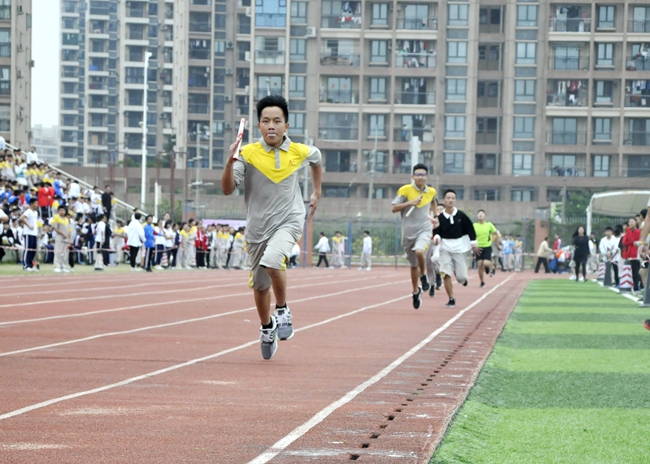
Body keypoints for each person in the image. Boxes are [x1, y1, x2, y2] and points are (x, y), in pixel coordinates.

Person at [221, 94, 322, 360]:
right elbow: (227, 189)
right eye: (266, 121)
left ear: (286, 125)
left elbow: (317, 158)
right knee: (260, 286)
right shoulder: (247, 153)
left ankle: (283, 309)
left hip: (289, 219)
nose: (271, 126)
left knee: (275, 260)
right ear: (259, 125)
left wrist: (317, 191)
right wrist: (230, 162)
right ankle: (267, 327)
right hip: (257, 228)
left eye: (277, 121)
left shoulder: (298, 150)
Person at [391, 163, 437, 309]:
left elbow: (433, 202)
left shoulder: (431, 191)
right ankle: (416, 291)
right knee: (413, 265)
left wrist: (435, 216)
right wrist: (410, 202)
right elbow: (394, 208)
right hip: (408, 233)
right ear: (413, 176)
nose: (420, 177)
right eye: (417, 174)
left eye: (423, 175)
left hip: (424, 229)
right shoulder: (405, 190)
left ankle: (423, 276)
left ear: (427, 177)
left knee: (419, 251)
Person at [432, 189, 478, 308]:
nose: (450, 200)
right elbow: (437, 231)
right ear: (444, 200)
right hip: (445, 248)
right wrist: (436, 238)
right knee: (445, 273)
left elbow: (470, 229)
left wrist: (474, 244)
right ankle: (451, 298)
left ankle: (461, 278)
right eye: (448, 198)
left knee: (462, 277)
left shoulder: (461, 216)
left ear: (455, 200)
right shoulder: (440, 218)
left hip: (459, 249)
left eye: (453, 198)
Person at [472, 209, 497, 288]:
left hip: (487, 246)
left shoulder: (489, 225)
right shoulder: (474, 225)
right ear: (477, 216)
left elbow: (495, 233)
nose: (480, 215)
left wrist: (496, 243)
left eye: (482, 214)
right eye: (479, 214)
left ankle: (491, 267)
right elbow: (471, 236)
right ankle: (482, 282)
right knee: (479, 264)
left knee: (485, 263)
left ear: (485, 216)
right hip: (478, 247)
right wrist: (473, 246)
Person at [19, 198, 40, 271]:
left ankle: (30, 265)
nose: (37, 205)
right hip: (28, 233)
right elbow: (21, 218)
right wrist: (28, 225)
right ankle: (26, 265)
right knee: (28, 249)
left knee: (33, 249)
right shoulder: (28, 211)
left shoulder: (36, 212)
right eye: (36, 203)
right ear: (31, 204)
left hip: (34, 233)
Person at [622, 217, 642, 291]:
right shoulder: (628, 231)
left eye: (632, 221)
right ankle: (634, 285)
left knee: (636, 270)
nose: (631, 223)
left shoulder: (638, 231)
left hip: (636, 253)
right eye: (630, 222)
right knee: (632, 271)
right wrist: (631, 242)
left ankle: (637, 286)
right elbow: (624, 242)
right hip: (629, 253)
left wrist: (631, 242)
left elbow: (635, 241)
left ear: (635, 222)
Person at [51, 205, 71, 273]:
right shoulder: (56, 217)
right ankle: (56, 266)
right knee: (58, 253)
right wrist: (63, 234)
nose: (62, 212)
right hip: (59, 238)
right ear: (58, 211)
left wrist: (68, 237)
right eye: (60, 210)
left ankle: (63, 266)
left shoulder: (66, 219)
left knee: (65, 253)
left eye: (63, 210)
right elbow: (55, 228)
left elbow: (68, 229)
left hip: (66, 239)